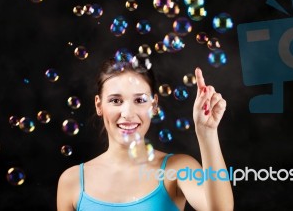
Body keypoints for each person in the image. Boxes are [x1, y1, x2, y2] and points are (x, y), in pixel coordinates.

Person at [57, 57, 234, 211]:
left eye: (140, 100)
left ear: (154, 105)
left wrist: (207, 132)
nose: (127, 113)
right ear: (99, 105)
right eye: (116, 100)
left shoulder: (177, 168)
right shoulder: (71, 181)